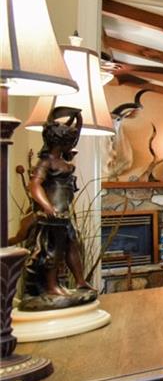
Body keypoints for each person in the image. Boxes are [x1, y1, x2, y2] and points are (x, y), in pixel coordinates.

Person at [20, 107, 98, 311]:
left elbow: (75, 136)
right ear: (60, 142)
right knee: (53, 251)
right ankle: (52, 285)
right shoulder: (46, 162)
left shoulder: (62, 161)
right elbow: (34, 185)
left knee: (73, 246)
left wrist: (78, 117)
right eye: (69, 141)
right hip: (52, 215)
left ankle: (80, 281)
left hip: (64, 214)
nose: (72, 144)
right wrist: (47, 206)